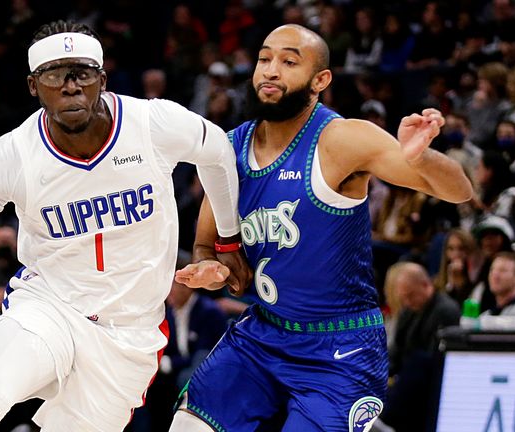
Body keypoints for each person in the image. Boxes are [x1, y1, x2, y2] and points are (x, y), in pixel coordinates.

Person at [0, 20, 243, 432]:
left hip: (130, 333)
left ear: (102, 79)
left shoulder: (153, 123)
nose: (70, 86)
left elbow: (219, 153)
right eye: (54, 75)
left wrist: (226, 240)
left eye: (82, 73)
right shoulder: (12, 156)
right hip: (49, 308)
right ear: (33, 86)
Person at [170, 24, 472, 431]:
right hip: (264, 333)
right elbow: (206, 244)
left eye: (289, 61)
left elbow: (459, 190)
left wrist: (420, 159)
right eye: (264, 58)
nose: (271, 70)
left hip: (340, 347)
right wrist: (212, 267)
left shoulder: (341, 140)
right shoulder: (229, 149)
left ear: (321, 80)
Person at [380, 262, 460, 432]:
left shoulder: (446, 311)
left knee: (418, 363)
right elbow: (395, 353)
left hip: (425, 385)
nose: (407, 302)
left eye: (410, 295)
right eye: (404, 298)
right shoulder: (409, 311)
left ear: (425, 285)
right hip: (406, 381)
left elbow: (433, 360)